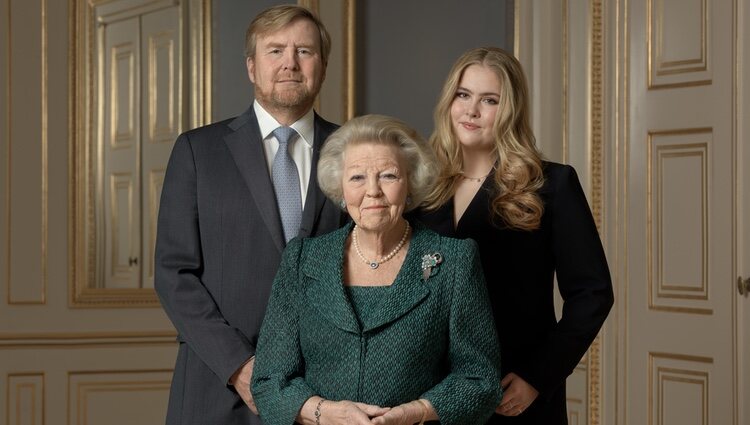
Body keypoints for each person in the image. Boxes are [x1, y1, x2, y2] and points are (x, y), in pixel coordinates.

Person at [154, 5, 343, 424]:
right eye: (275, 50)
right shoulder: (197, 152)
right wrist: (239, 367)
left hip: (327, 392)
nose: (290, 63)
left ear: (323, 67)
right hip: (217, 387)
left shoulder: (355, 152)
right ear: (252, 67)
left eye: (304, 51)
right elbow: (173, 273)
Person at [251, 114, 503, 425]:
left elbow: (480, 381)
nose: (373, 191)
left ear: (410, 182)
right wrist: (326, 413)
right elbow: (268, 382)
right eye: (357, 177)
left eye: (388, 176)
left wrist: (417, 412)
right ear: (341, 189)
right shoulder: (302, 260)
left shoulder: (454, 261)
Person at [412, 47, 614, 424]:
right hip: (428, 395)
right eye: (463, 95)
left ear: (510, 110)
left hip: (513, 391)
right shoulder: (418, 187)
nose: (471, 110)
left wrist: (538, 377)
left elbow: (593, 293)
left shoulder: (553, 184)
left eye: (489, 100)